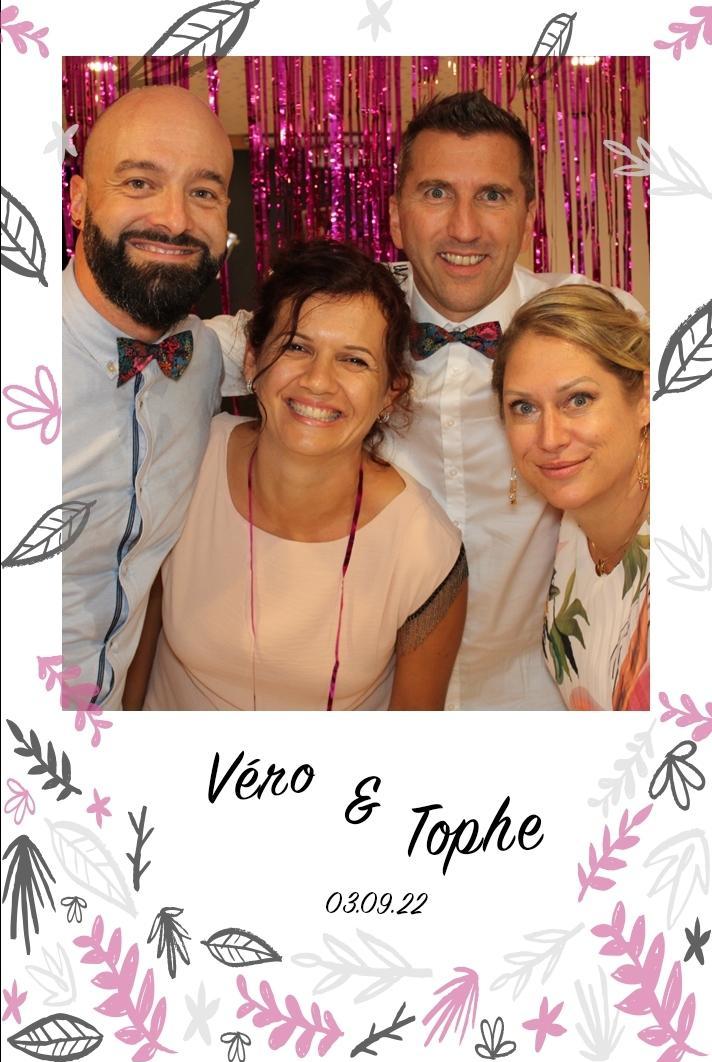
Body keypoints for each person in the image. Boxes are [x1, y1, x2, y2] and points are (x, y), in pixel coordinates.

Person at [210, 90, 645, 710]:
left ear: (528, 214)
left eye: (492, 195)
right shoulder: (347, 317)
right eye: (437, 192)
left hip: (540, 692)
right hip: (371, 693)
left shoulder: (591, 320)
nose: (464, 227)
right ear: (395, 216)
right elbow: (215, 351)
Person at [143, 240, 468, 710]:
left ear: (390, 393)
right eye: (297, 347)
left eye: (354, 360)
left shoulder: (426, 548)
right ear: (252, 360)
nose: (318, 381)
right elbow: (133, 641)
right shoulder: (187, 460)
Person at [63, 85, 234, 710]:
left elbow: (308, 341)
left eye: (204, 192)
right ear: (79, 201)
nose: (175, 220)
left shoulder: (203, 356)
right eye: (140, 182)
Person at [492, 285, 650, 710]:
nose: (550, 438)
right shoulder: (571, 533)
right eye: (524, 408)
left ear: (644, 398)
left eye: (578, 400)